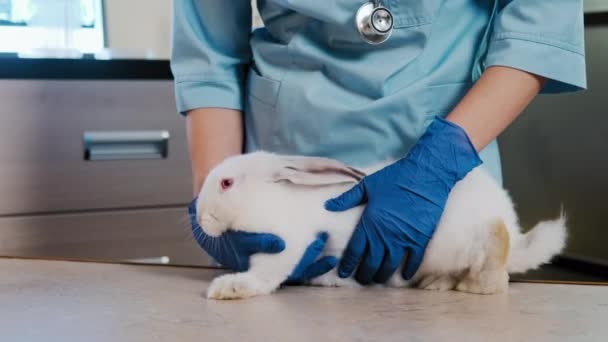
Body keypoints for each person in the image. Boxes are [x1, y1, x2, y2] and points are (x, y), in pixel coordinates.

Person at [172, 1, 586, 285]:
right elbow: (209, 54)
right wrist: (216, 211)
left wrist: (438, 163)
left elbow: (541, 22)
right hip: (280, 190)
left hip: (444, 180)